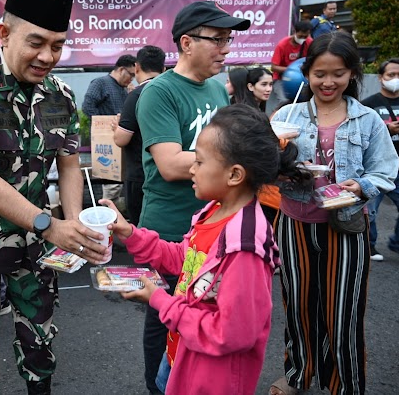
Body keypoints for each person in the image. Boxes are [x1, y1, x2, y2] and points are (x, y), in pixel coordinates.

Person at [0, 0, 109, 395]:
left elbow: (69, 165)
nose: (48, 56)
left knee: (39, 342)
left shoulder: (63, 96)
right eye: (36, 43)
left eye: (58, 44)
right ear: (4, 33)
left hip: (36, 245)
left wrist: (74, 225)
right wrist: (52, 225)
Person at [102, 105, 308, 394]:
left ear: (234, 175)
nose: (191, 168)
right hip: (180, 355)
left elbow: (231, 334)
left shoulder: (245, 247)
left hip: (210, 379)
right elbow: (183, 259)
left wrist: (160, 300)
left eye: (199, 161)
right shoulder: (213, 211)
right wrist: (130, 234)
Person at [269, 31, 398, 395]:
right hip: (295, 222)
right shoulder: (286, 114)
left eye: (338, 73)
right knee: (297, 305)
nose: (328, 82)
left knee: (344, 311)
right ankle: (299, 374)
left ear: (352, 74)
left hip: (347, 225)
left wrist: (361, 187)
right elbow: (264, 164)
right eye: (320, 73)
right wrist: (281, 164)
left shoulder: (367, 119)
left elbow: (385, 170)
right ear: (307, 73)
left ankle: (345, 384)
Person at [135, 0, 250, 395]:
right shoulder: (159, 92)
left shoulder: (219, 89)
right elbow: (168, 163)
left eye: (228, 39)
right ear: (186, 42)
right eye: (217, 39)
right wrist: (241, 161)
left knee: (205, 317)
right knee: (164, 319)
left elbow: (226, 148)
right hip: (169, 229)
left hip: (214, 228)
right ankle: (159, 388)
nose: (227, 49)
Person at [361, 57, 399, 264]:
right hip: (375, 169)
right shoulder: (369, 104)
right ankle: (369, 245)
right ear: (381, 78)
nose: (396, 78)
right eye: (391, 75)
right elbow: (360, 132)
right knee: (368, 212)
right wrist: (386, 129)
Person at [112, 45, 165, 224]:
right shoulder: (171, 92)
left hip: (140, 175)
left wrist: (116, 128)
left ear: (136, 67)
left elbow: (121, 139)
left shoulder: (137, 95)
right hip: (166, 174)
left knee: (141, 231)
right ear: (163, 69)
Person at [83, 54, 136, 203]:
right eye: (131, 74)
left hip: (122, 138)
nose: (132, 78)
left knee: (119, 185)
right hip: (107, 142)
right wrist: (104, 125)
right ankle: (105, 216)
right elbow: (87, 107)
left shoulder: (125, 89)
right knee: (111, 185)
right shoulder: (100, 83)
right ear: (120, 69)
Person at [268, 20, 312, 113]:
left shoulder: (309, 43)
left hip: (303, 79)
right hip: (281, 79)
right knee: (284, 100)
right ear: (294, 32)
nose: (303, 39)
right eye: (300, 36)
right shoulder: (282, 45)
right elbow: (274, 67)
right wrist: (292, 70)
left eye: (305, 36)